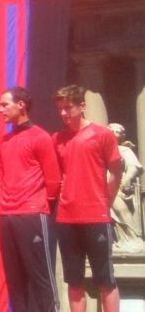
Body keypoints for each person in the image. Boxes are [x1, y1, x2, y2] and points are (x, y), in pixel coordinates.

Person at [53, 85, 123, 312]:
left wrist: (106, 201)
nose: (63, 113)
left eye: (68, 108)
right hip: (66, 218)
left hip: (95, 216)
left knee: (105, 280)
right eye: (60, 109)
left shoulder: (102, 135)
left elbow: (116, 171)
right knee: (74, 282)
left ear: (82, 106)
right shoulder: (57, 139)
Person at [0, 87, 61, 312]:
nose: (0, 109)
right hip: (6, 216)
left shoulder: (40, 137)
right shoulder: (4, 141)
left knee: (41, 278)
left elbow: (53, 179)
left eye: (5, 104)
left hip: (33, 214)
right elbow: (4, 176)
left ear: (21, 104)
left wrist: (40, 205)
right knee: (15, 281)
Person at [108, 123, 145, 252]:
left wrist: (128, 178)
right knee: (111, 214)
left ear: (122, 135)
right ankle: (120, 240)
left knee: (121, 210)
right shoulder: (102, 150)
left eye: (117, 131)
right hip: (104, 186)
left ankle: (134, 238)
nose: (114, 133)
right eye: (111, 131)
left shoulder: (124, 150)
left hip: (119, 185)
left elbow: (133, 167)